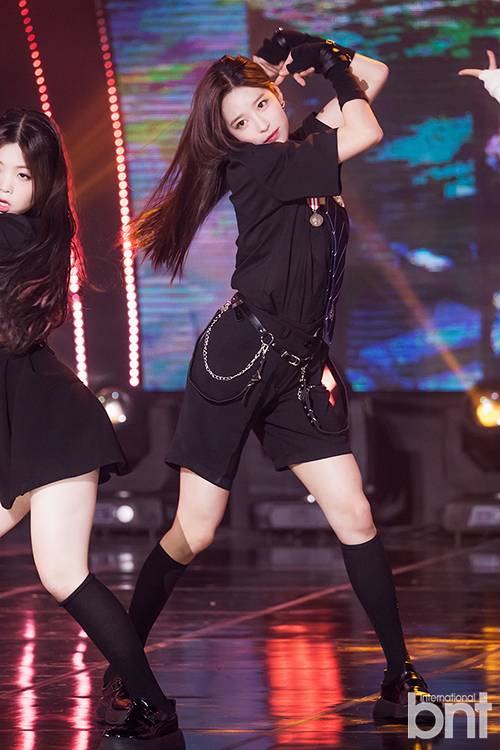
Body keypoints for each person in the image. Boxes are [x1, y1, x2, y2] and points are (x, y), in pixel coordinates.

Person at [100, 30, 438, 726]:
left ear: (277, 95)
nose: (259, 126)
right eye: (240, 123)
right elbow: (367, 125)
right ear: (227, 139)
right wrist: (331, 68)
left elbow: (373, 74)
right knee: (195, 530)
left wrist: (315, 48)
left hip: (299, 369)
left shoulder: (300, 147)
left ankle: (398, 677)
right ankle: (125, 668)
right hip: (237, 359)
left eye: (262, 106)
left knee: (355, 514)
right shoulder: (260, 167)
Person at [0, 109, 180, 745]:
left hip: (53, 429)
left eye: (21, 174)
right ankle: (152, 703)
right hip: (30, 427)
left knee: (64, 573)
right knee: (63, 574)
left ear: (42, 183)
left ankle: (153, 705)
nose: (4, 185)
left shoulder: (21, 237)